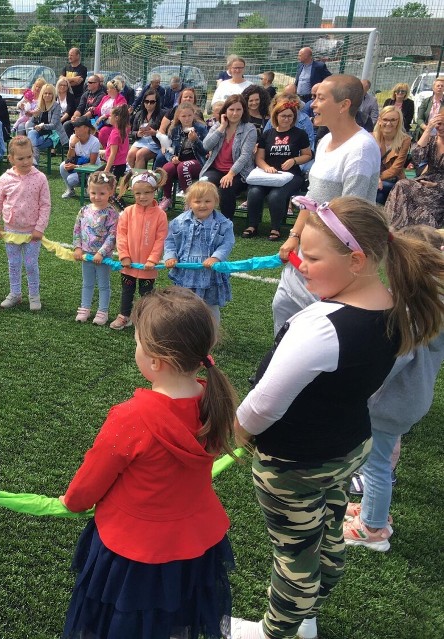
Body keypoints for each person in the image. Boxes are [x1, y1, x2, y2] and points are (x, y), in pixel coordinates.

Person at [231, 196, 444, 639]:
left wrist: (232, 434)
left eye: (310, 256)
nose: (299, 263)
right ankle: (312, 607)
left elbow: (264, 404)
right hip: (348, 448)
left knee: (295, 554)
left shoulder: (321, 325)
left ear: (356, 260)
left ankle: (279, 632)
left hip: (295, 462)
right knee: (325, 528)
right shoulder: (398, 306)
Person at [61, 286, 236, 639]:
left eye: (138, 342)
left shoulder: (131, 417)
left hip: (132, 552)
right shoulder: (212, 400)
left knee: (124, 622)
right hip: (194, 544)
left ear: (156, 361)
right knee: (174, 617)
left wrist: (72, 502)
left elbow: (89, 482)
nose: (135, 348)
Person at [343, 224, 444, 552]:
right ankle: (374, 514)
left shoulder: (410, 313)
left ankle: (372, 529)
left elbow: (389, 366)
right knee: (382, 459)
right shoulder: (435, 304)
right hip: (413, 399)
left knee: (377, 466)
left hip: (391, 403)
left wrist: (355, 387)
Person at [272, 75, 382, 334]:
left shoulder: (362, 149)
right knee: (284, 308)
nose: (312, 105)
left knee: (324, 324)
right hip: (308, 250)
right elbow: (311, 198)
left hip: (333, 256)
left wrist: (321, 254)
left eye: (321, 98)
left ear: (343, 105)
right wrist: (295, 236)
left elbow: (350, 216)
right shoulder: (323, 142)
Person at [0, 136, 51, 311]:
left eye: (29, 157)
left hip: (32, 232)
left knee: (31, 264)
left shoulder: (40, 178)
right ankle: (15, 293)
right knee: (14, 263)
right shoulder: (5, 178)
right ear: (11, 159)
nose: (26, 162)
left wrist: (39, 228)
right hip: (11, 229)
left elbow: (45, 205)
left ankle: (34, 295)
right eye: (21, 158)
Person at [164, 182, 234, 324]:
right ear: (190, 202)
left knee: (210, 307)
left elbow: (227, 243)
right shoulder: (179, 222)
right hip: (185, 272)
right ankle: (186, 333)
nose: (203, 205)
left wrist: (216, 257)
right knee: (183, 305)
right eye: (198, 201)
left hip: (210, 275)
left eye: (207, 201)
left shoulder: (223, 224)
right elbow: (169, 241)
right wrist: (170, 256)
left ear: (216, 201)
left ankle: (211, 335)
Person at [244, 101, 312, 241]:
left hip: (291, 175)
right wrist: (266, 167)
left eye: (290, 116)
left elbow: (307, 155)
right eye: (283, 116)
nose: (287, 119)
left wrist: (294, 160)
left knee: (276, 195)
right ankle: (253, 224)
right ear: (276, 116)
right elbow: (260, 158)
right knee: (254, 192)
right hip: (268, 173)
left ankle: (275, 227)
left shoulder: (300, 134)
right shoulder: (268, 134)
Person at [110, 171, 168, 330]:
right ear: (132, 192)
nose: (142, 197)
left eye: (147, 192)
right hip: (128, 265)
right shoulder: (127, 212)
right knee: (127, 291)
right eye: (138, 193)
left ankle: (144, 319)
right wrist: (124, 256)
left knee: (146, 294)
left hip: (148, 266)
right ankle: (124, 316)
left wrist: (153, 259)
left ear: (155, 191)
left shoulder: (160, 215)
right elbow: (121, 235)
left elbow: (160, 240)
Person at [72, 170, 118, 326]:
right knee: (87, 283)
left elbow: (113, 236)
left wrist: (101, 253)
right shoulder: (84, 210)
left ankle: (102, 311)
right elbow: (77, 229)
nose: (97, 197)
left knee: (104, 285)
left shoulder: (111, 213)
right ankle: (85, 308)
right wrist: (78, 248)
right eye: (93, 192)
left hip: (103, 258)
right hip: (86, 255)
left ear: (110, 192)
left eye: (101, 193)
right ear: (87, 190)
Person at [201, 95, 257, 219]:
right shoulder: (217, 126)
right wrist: (222, 127)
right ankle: (203, 218)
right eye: (231, 109)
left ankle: (227, 221)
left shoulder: (249, 129)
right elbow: (206, 145)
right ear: (225, 111)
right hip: (216, 169)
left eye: (239, 110)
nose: (235, 113)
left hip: (238, 172)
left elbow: (245, 156)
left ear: (244, 111)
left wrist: (231, 174)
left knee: (225, 187)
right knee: (204, 184)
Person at [385, 112, 444, 230]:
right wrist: (427, 130)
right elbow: (417, 158)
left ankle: (396, 230)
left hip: (440, 189)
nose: (440, 127)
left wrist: (436, 185)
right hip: (426, 181)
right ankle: (391, 228)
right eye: (438, 123)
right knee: (402, 186)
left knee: (412, 199)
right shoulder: (432, 141)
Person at [158, 103, 208, 210]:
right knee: (167, 168)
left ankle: (189, 200)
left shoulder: (201, 128)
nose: (187, 119)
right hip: (179, 160)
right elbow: (168, 149)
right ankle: (167, 198)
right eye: (183, 116)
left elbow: (205, 151)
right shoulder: (174, 129)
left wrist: (195, 141)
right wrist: (171, 157)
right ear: (178, 117)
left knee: (183, 167)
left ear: (193, 115)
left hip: (197, 161)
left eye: (189, 116)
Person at [372, 106, 411, 205]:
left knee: (379, 190)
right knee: (379, 193)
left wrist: (378, 178)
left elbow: (396, 169)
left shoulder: (405, 140)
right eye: (385, 119)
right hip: (375, 179)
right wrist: (375, 179)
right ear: (379, 120)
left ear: (398, 121)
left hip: (394, 180)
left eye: (393, 120)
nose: (389, 123)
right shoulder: (370, 137)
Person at [59, 116, 100, 199]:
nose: (75, 129)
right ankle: (70, 190)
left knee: (71, 179)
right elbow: (69, 158)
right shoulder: (73, 137)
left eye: (78, 127)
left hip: (92, 170)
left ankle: (87, 188)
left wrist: (75, 167)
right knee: (62, 165)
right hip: (78, 164)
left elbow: (92, 164)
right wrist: (72, 146)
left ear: (86, 128)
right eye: (75, 126)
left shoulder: (95, 141)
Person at [27, 83, 66, 165]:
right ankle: (34, 164)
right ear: (42, 94)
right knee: (31, 133)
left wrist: (42, 126)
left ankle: (33, 164)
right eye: (45, 93)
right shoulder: (39, 105)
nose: (47, 95)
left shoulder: (56, 106)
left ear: (53, 95)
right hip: (40, 132)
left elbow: (53, 125)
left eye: (50, 93)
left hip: (54, 134)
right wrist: (35, 115)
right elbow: (33, 122)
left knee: (33, 146)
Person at [127, 88, 165, 169]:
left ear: (157, 102)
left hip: (155, 142)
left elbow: (167, 133)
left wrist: (154, 133)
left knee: (140, 154)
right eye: (146, 101)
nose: (148, 104)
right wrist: (138, 134)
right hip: (141, 140)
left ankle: (139, 179)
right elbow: (132, 132)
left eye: (152, 102)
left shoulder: (162, 114)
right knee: (130, 154)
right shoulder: (139, 114)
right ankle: (128, 179)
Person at [65, 74, 106, 139]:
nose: (87, 84)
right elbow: (80, 108)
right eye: (87, 82)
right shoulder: (86, 94)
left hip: (93, 120)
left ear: (96, 84)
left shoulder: (102, 95)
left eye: (90, 82)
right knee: (67, 124)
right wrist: (74, 116)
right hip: (83, 118)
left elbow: (92, 112)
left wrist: (80, 119)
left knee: (80, 126)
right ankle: (69, 145)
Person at [93, 78, 128, 148]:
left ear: (114, 89)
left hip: (113, 124)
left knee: (103, 132)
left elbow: (118, 112)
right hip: (101, 122)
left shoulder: (121, 99)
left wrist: (105, 116)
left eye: (109, 88)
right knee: (88, 127)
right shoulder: (105, 98)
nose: (107, 90)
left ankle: (108, 151)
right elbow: (98, 109)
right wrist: (93, 109)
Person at [101, 105, 130, 181]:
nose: (109, 117)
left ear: (116, 118)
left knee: (109, 187)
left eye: (111, 116)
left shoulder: (115, 133)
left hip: (114, 165)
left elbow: (113, 154)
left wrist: (106, 170)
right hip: (122, 163)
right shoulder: (124, 130)